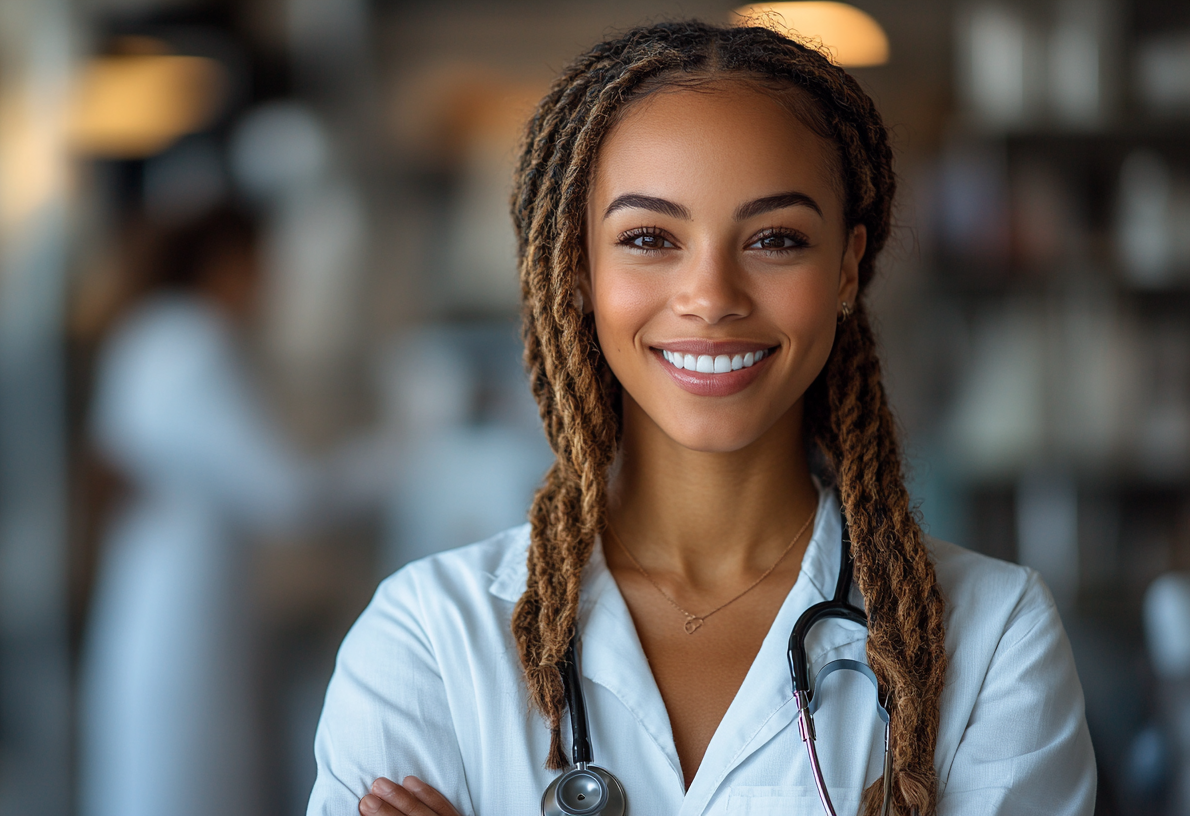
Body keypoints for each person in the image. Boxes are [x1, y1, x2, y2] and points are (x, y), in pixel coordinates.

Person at [306, 21, 1095, 816]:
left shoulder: (995, 638)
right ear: (578, 266)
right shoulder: (429, 640)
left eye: (776, 239)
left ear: (849, 267)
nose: (712, 296)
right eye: (650, 237)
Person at [80, 206, 309, 816]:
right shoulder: (194, 341)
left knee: (154, 776)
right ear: (229, 264)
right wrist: (411, 453)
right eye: (263, 268)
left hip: (147, 587)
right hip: (190, 601)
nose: (269, 286)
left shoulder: (145, 334)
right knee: (193, 777)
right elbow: (282, 492)